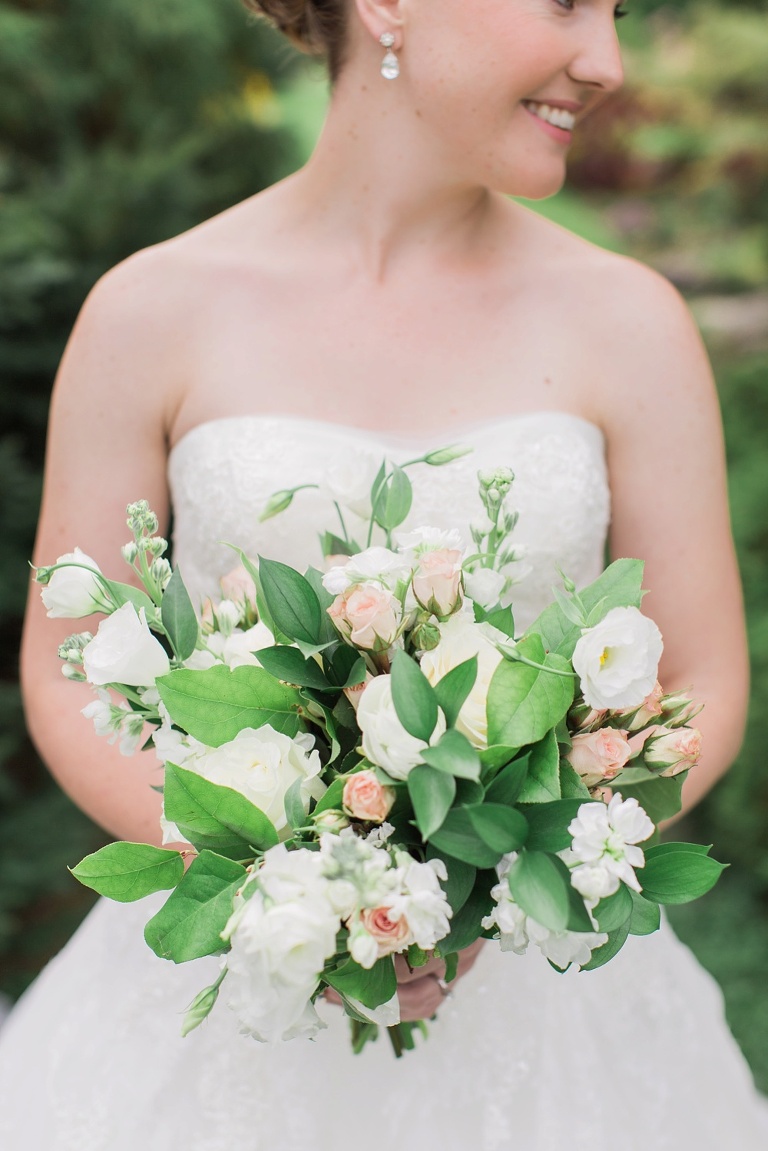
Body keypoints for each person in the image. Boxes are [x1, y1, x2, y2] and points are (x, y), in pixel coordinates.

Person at [1, 0, 767, 1146]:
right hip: (221, 1002)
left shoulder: (631, 323)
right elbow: (71, 679)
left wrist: (495, 876)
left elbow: (702, 679)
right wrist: (287, 889)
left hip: (548, 1007)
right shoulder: (149, 311)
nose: (605, 61)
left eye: (618, 13)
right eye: (566, 3)